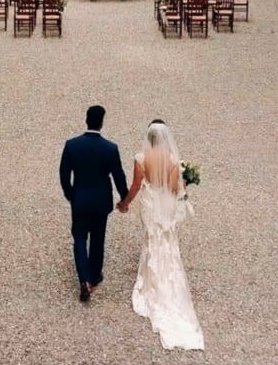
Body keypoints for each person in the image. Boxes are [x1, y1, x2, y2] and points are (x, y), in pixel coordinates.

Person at [117, 120, 204, 350]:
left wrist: (124, 203)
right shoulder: (173, 160)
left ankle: (150, 280)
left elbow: (136, 185)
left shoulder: (141, 158)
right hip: (164, 206)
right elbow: (174, 189)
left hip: (149, 205)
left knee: (151, 240)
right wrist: (186, 182)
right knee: (166, 241)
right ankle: (165, 281)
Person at [59, 105, 128, 302]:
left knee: (79, 238)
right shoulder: (110, 148)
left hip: (80, 199)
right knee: (98, 238)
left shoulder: (72, 145)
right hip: (101, 201)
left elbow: (64, 175)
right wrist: (124, 197)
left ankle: (84, 279)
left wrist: (71, 195)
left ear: (86, 119)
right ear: (102, 122)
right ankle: (95, 275)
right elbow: (118, 176)